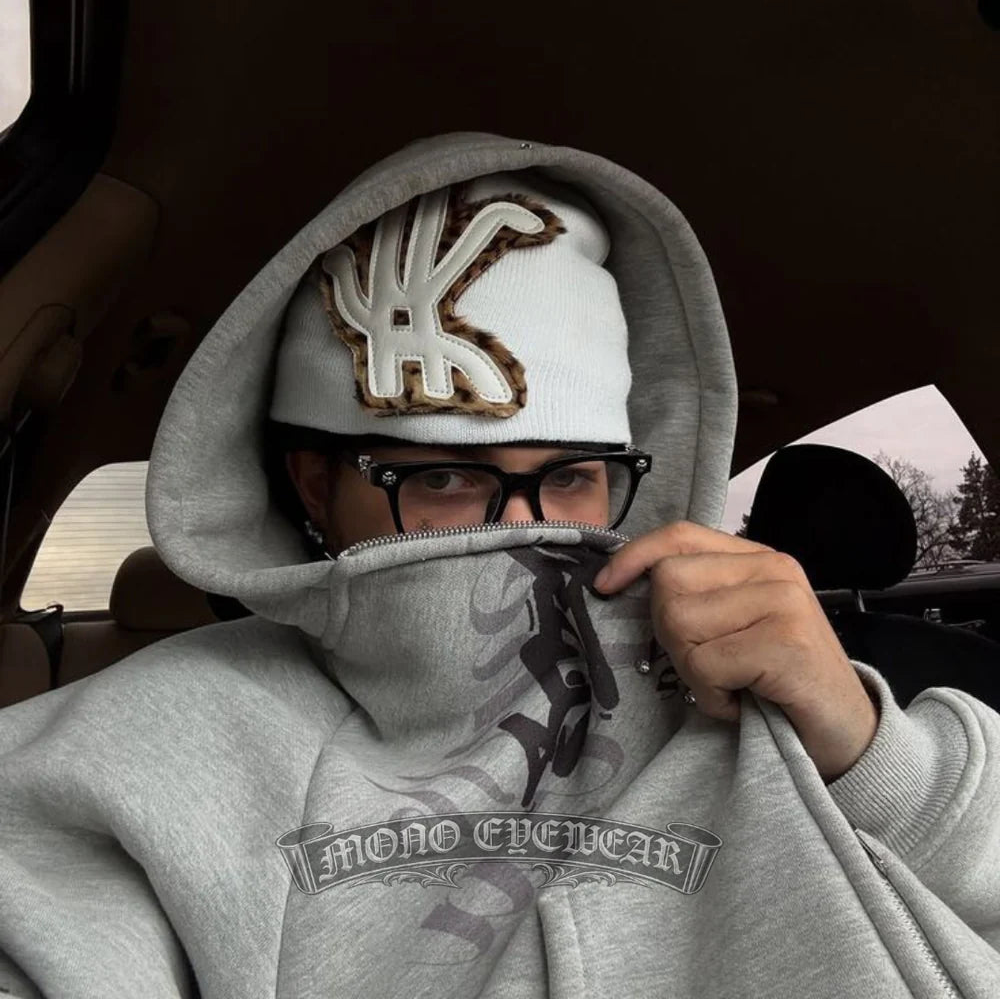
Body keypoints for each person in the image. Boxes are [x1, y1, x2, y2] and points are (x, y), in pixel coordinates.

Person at [1, 131, 999, 999]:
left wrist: (871, 757)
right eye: (442, 477)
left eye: (570, 476)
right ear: (315, 486)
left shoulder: (754, 689)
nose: (523, 528)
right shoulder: (145, 749)